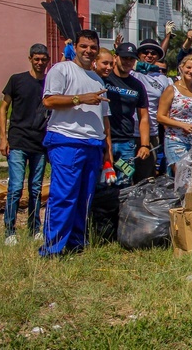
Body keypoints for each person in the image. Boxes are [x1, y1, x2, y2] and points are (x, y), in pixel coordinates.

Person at [41, 29, 114, 257]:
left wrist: (106, 150)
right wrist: (79, 98)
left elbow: (104, 119)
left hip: (93, 144)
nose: (88, 51)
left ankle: (75, 244)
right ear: (76, 47)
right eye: (84, 46)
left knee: (85, 198)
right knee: (64, 195)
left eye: (93, 47)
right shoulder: (61, 70)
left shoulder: (97, 78)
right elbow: (49, 100)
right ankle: (53, 248)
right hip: (67, 140)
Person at [0, 44, 50, 246]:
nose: (40, 63)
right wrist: (4, 138)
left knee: (36, 188)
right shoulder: (17, 80)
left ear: (47, 60)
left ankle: (34, 227)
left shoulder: (50, 83)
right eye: (36, 59)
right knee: (15, 187)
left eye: (43, 59)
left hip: (40, 143)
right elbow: (4, 107)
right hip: (18, 141)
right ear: (30, 58)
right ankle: (9, 231)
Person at [103, 43, 150, 186]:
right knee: (103, 182)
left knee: (125, 182)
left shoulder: (137, 85)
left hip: (126, 144)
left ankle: (122, 208)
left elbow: (144, 117)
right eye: (124, 58)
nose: (128, 62)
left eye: (131, 59)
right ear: (116, 57)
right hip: (104, 142)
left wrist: (145, 145)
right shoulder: (104, 79)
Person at [131, 38, 172, 180]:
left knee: (146, 177)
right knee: (124, 175)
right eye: (145, 52)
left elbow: (166, 108)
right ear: (138, 54)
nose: (149, 55)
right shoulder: (131, 73)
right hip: (127, 132)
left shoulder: (163, 79)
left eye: (153, 53)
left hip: (151, 132)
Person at [157, 55, 192, 168]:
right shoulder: (171, 89)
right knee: (182, 178)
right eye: (188, 67)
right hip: (176, 140)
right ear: (181, 68)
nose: (191, 71)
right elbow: (160, 116)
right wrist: (182, 125)